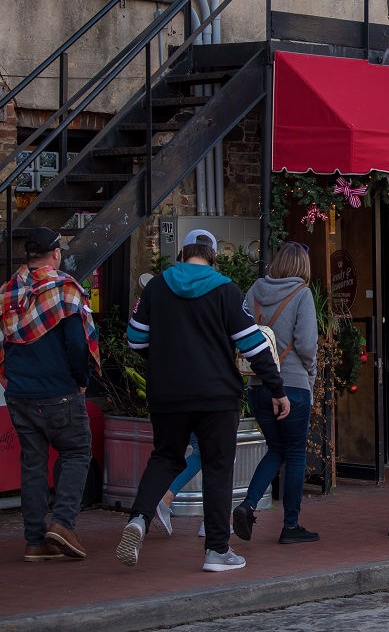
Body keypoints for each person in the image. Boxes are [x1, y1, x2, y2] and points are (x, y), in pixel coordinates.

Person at [118, 228, 288, 572]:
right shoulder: (225, 290)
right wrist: (277, 389)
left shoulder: (157, 287)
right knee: (217, 467)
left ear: (181, 257)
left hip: (166, 393)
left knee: (165, 456)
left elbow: (135, 339)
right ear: (212, 260)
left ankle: (139, 518)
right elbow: (253, 346)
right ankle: (216, 551)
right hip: (216, 396)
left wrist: (164, 358)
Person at [0, 227, 99, 563]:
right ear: (55, 254)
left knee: (33, 465)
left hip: (20, 393)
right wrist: (82, 380)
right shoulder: (64, 289)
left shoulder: (7, 292)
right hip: (59, 391)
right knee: (78, 452)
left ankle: (35, 541)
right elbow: (77, 343)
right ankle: (63, 524)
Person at [233, 242, 320, 545]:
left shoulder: (253, 291)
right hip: (293, 385)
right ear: (303, 268)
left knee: (275, 448)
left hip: (257, 385)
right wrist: (311, 372)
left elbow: (241, 335)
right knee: (295, 455)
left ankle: (248, 504)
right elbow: (307, 344)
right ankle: (291, 526)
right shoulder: (302, 294)